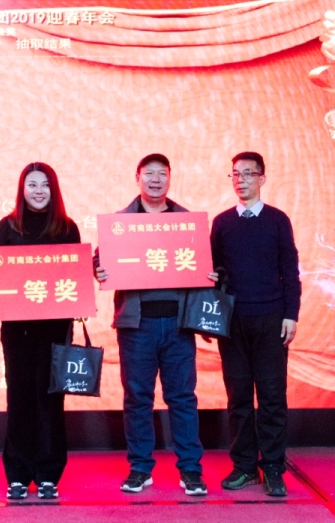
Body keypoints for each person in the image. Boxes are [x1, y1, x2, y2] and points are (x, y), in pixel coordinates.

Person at [93, 153, 217, 496]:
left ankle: (190, 470)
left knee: (182, 398)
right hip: (137, 326)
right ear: (138, 178)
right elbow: (100, 259)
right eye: (149, 173)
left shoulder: (186, 221)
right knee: (137, 399)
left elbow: (207, 263)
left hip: (178, 325)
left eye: (162, 174)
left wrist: (210, 273)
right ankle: (140, 469)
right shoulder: (121, 222)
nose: (156, 179)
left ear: (170, 178)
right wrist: (98, 268)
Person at [210, 151, 301, 497]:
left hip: (271, 319)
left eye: (248, 173)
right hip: (232, 322)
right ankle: (245, 466)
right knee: (238, 398)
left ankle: (273, 467)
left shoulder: (277, 220)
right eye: (235, 174)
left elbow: (290, 270)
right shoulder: (222, 223)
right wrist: (208, 316)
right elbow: (212, 272)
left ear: (262, 178)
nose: (241, 180)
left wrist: (291, 314)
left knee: (272, 396)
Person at [0, 162, 81, 500]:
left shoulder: (67, 228)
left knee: (50, 400)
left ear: (53, 189)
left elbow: (73, 277)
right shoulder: (7, 227)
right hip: (17, 332)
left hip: (55, 331)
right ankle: (17, 474)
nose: (38, 190)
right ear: (22, 189)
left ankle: (48, 474)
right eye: (32, 184)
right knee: (18, 399)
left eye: (45, 184)